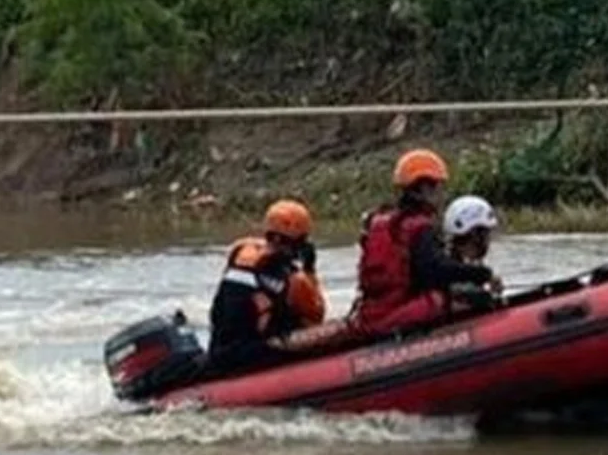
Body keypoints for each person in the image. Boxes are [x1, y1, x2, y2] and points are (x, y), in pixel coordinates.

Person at [349, 150, 497, 336]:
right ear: (424, 188)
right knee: (452, 300)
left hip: (373, 313)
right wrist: (482, 274)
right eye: (437, 187)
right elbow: (435, 271)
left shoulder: (383, 222)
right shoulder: (418, 228)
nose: (441, 194)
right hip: (396, 314)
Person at [206, 199, 326, 372]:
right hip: (254, 355)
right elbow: (316, 317)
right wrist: (310, 270)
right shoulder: (295, 280)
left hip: (219, 347)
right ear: (301, 241)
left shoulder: (239, 251)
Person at [443, 195, 505, 313]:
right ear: (475, 235)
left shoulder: (456, 263)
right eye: (487, 234)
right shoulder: (452, 272)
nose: (489, 240)